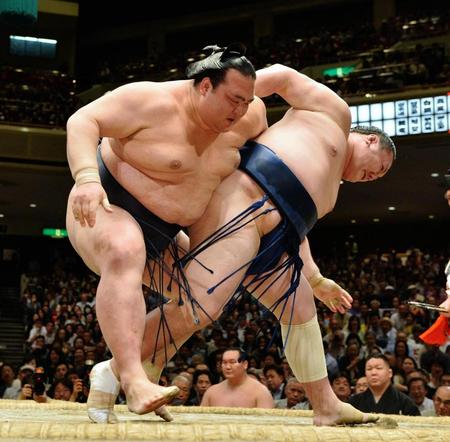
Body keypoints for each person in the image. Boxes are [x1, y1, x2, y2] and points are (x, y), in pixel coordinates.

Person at [90, 63, 396, 425]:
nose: (374, 177)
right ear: (371, 140)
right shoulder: (334, 112)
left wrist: (314, 279)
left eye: (377, 178)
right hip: (243, 198)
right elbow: (283, 76)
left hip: (276, 237)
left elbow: (297, 233)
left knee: (299, 311)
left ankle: (326, 406)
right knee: (200, 307)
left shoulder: (330, 188)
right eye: (379, 167)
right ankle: (114, 370)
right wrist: (235, 103)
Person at [65, 43, 267, 421]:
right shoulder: (149, 100)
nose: (240, 110)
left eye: (247, 101)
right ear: (204, 86)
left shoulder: (250, 117)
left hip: (166, 233)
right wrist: (86, 179)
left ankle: (112, 372)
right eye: (233, 99)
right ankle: (133, 379)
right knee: (126, 249)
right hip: (108, 208)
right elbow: (82, 120)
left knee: (207, 295)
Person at [200, 348, 273, 408]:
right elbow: (201, 422)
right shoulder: (211, 392)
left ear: (245, 364)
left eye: (232, 362)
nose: (228, 367)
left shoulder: (261, 392)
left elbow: (267, 423)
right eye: (224, 362)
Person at [349, 354, 420, 415]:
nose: (373, 373)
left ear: (390, 373)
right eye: (369, 369)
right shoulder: (354, 402)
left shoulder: (405, 403)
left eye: (378, 368)